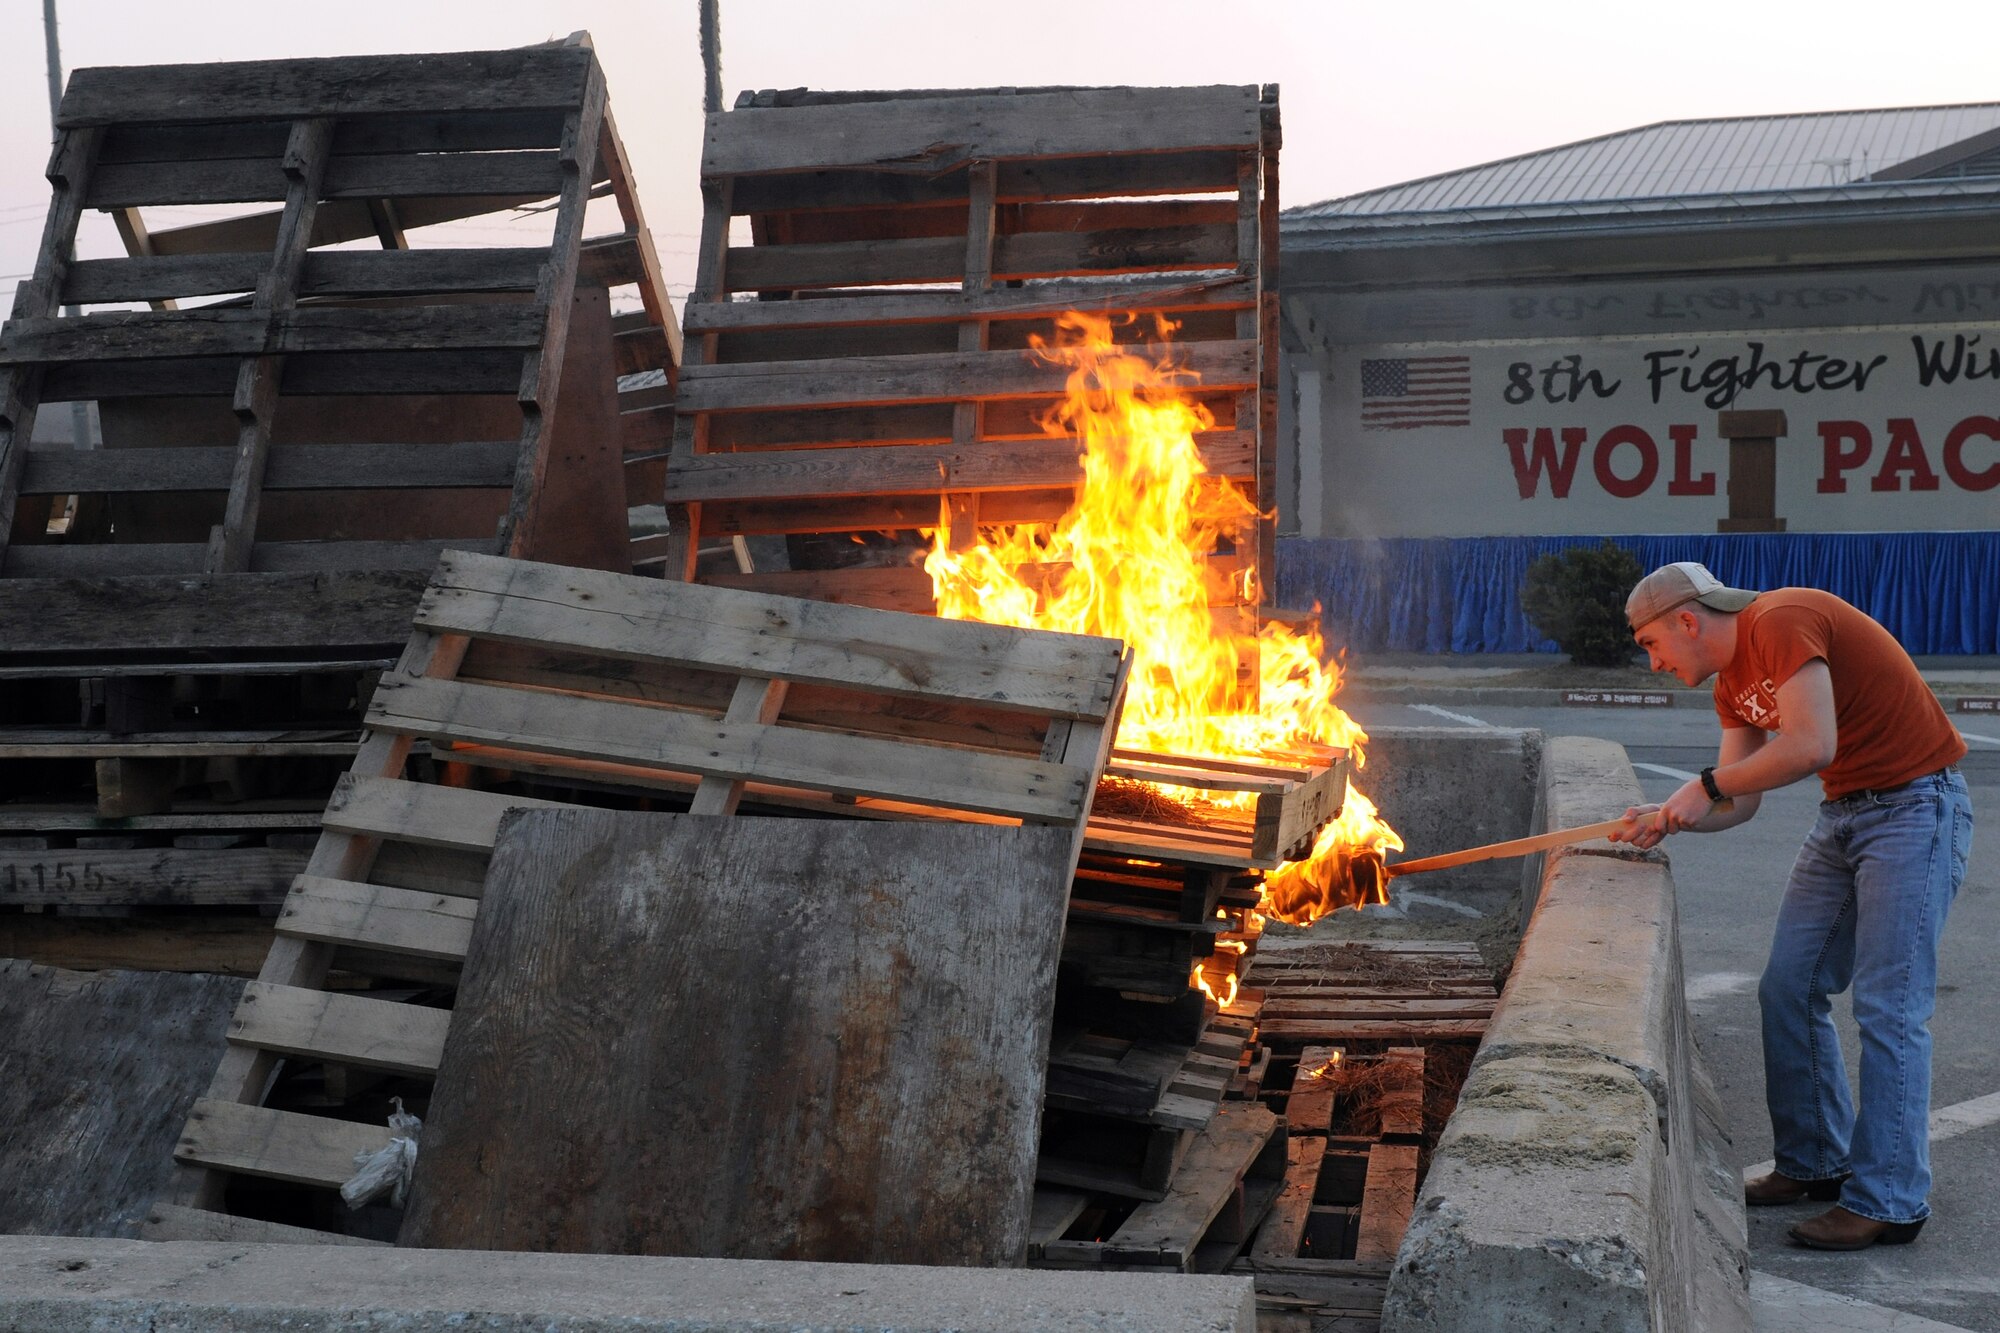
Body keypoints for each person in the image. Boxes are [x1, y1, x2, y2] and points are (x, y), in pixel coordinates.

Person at [1610, 561, 1972, 1251]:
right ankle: (1815, 1164)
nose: (1653, 662)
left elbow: (1811, 744)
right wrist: (1666, 816)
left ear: (1688, 620)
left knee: (1890, 1006)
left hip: (1916, 806)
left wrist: (1703, 783)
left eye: (1653, 644)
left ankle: (1891, 1200)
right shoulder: (1731, 689)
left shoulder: (1779, 620)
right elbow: (1738, 804)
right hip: (1846, 815)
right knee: (1788, 986)